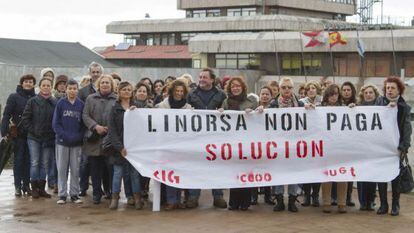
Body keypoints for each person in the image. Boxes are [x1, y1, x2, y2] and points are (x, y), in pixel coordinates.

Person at [186, 68, 227, 209]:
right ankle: (193, 196)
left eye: (205, 77)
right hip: (196, 136)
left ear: (212, 80)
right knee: (195, 166)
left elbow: (227, 112)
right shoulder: (191, 94)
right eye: (200, 77)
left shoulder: (221, 95)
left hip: (215, 137)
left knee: (216, 166)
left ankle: (218, 196)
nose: (201, 79)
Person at [219, 77, 258, 211]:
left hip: (247, 142)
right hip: (231, 142)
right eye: (233, 86)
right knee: (234, 172)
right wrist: (220, 113)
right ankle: (233, 202)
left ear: (243, 88)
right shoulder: (225, 102)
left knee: (245, 172)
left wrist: (253, 113)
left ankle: (245, 203)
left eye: (238, 86)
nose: (235, 88)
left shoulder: (251, 102)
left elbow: (259, 119)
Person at [376, 76, 412, 216]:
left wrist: (404, 147)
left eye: (392, 88)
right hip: (380, 147)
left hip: (396, 148)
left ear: (399, 91)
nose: (389, 90)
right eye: (387, 88)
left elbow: (407, 128)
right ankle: (383, 204)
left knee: (395, 177)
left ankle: (395, 204)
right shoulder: (379, 103)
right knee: (382, 176)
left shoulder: (404, 107)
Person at [156, 80, 192, 210]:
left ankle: (178, 200)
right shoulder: (161, 106)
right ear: (172, 91)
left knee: (180, 173)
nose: (179, 93)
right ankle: (171, 200)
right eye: (177, 91)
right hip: (166, 144)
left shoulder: (188, 108)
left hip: (182, 145)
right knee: (169, 172)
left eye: (181, 91)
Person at [269, 77, 303, 213]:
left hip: (295, 145)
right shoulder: (273, 105)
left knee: (293, 173)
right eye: (284, 87)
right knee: (278, 172)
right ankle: (279, 201)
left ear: (293, 89)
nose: (287, 90)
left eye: (289, 87)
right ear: (280, 89)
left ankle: (292, 201)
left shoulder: (300, 105)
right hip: (278, 145)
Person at [82, 74, 117, 204]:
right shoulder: (90, 98)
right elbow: (85, 115)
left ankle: (109, 191)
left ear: (112, 85)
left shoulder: (116, 99)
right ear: (99, 84)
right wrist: (95, 126)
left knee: (110, 168)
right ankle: (97, 193)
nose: (105, 85)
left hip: (110, 139)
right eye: (103, 82)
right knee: (95, 168)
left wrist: (109, 128)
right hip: (94, 138)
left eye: (107, 83)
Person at [108, 81, 143, 210]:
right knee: (118, 173)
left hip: (134, 148)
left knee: (134, 174)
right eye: (124, 89)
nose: (127, 91)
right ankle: (115, 198)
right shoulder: (114, 108)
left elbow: (141, 126)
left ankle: (137, 198)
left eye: (129, 89)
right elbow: (112, 131)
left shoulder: (137, 106)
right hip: (119, 148)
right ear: (119, 92)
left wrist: (136, 112)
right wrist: (120, 147)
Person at [20, 77, 57, 199]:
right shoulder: (32, 101)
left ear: (51, 87)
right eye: (44, 85)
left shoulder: (54, 102)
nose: (46, 87)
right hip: (34, 138)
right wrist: (33, 130)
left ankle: (42, 188)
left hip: (48, 138)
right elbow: (25, 119)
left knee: (44, 163)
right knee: (35, 162)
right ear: (39, 87)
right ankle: (34, 187)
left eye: (48, 85)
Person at [1, 74, 36, 196]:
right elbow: (6, 115)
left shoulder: (36, 98)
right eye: (26, 81)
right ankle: (17, 186)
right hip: (18, 135)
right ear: (22, 83)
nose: (28, 83)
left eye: (30, 82)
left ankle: (26, 185)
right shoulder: (13, 97)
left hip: (31, 135)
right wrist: (4, 131)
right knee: (18, 160)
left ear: (33, 84)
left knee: (29, 161)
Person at [52, 79, 84, 204]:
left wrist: (78, 136)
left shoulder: (81, 104)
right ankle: (62, 195)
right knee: (62, 169)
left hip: (76, 142)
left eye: (74, 88)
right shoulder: (61, 103)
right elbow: (56, 123)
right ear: (66, 90)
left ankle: (75, 194)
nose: (72, 91)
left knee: (75, 169)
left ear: (77, 90)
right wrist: (63, 135)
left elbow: (83, 125)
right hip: (62, 141)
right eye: (70, 88)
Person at [319, 84, 348, 214]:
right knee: (327, 175)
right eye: (331, 94)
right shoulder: (319, 109)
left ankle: (342, 203)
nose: (333, 96)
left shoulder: (344, 109)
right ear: (327, 95)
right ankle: (326, 202)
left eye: (336, 94)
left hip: (341, 146)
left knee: (343, 175)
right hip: (325, 146)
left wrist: (352, 109)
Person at [78, 62, 104, 197]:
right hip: (88, 132)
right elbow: (81, 113)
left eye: (97, 72)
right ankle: (82, 187)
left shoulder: (107, 90)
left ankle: (99, 190)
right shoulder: (82, 92)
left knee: (100, 164)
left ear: (101, 73)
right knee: (85, 162)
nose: (95, 74)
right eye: (93, 72)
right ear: (90, 73)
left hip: (103, 132)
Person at [356, 84, 381, 211]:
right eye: (366, 93)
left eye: (371, 92)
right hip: (361, 147)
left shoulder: (381, 108)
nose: (368, 95)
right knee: (361, 175)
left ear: (375, 94)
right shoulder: (357, 108)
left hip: (375, 147)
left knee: (372, 175)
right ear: (362, 95)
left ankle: (371, 200)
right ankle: (362, 202)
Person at [300, 81, 322, 207]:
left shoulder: (322, 101)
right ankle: (307, 196)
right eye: (309, 88)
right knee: (307, 169)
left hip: (319, 139)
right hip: (306, 140)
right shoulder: (302, 102)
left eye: (313, 88)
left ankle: (315, 196)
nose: (311, 90)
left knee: (317, 170)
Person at [251, 86, 275, 206]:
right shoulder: (253, 108)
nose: (265, 96)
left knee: (268, 170)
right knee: (256, 170)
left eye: (267, 94)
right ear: (259, 95)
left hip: (270, 143)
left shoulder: (276, 109)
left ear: (271, 96)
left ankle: (268, 196)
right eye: (263, 94)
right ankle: (254, 196)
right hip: (256, 143)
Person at [338, 81, 357, 207]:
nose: (346, 92)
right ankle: (336, 198)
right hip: (338, 142)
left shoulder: (357, 104)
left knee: (349, 172)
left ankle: (348, 197)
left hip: (350, 143)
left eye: (348, 90)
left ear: (352, 91)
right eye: (344, 90)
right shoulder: (336, 104)